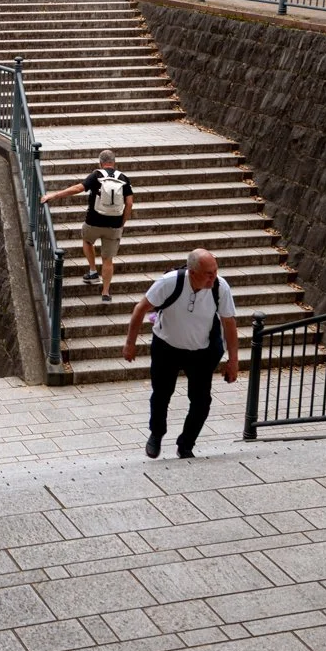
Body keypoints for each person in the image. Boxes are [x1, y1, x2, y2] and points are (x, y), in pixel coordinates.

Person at [122, 250, 239, 460]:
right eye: (208, 273)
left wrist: (233, 361)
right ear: (192, 272)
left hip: (201, 351)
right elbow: (140, 309)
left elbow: (229, 324)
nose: (214, 277)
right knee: (161, 394)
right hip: (167, 347)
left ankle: (186, 444)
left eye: (215, 271)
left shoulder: (220, 287)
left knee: (202, 401)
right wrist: (130, 344)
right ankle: (156, 434)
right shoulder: (169, 283)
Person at [41, 149, 132, 302]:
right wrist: (122, 222)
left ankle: (92, 271)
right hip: (114, 225)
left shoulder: (96, 175)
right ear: (114, 162)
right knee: (108, 259)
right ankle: (105, 292)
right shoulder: (123, 178)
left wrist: (53, 196)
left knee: (87, 241)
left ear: (100, 162)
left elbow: (77, 189)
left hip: (93, 221)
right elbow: (129, 203)